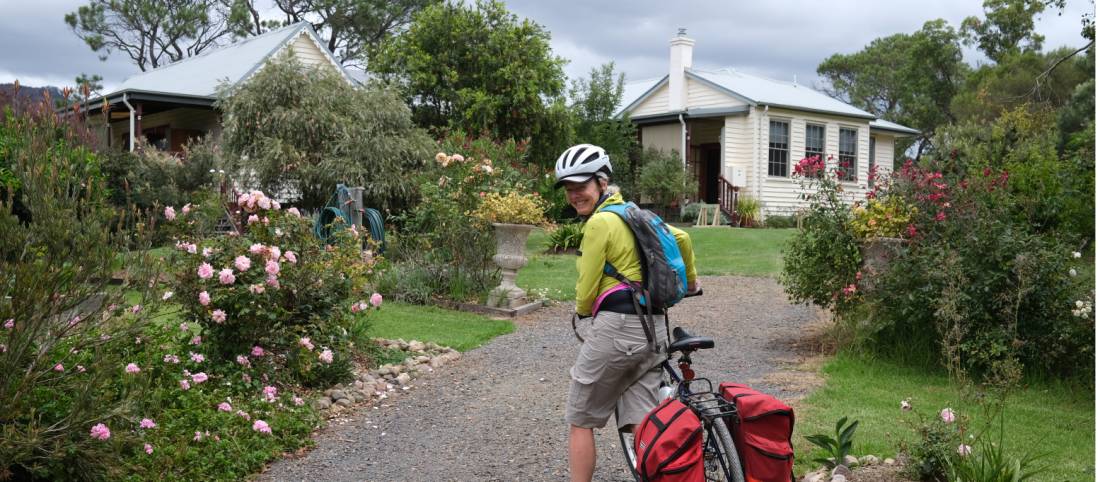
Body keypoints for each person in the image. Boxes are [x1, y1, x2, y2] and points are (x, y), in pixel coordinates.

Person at [555, 143, 699, 482]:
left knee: (580, 418)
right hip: (654, 330)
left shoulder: (599, 223)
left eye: (582, 186)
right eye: (569, 188)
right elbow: (683, 238)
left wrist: (580, 309)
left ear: (602, 183)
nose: (575, 194)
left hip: (616, 329)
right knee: (642, 421)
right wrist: (690, 283)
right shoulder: (636, 213)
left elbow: (587, 285)